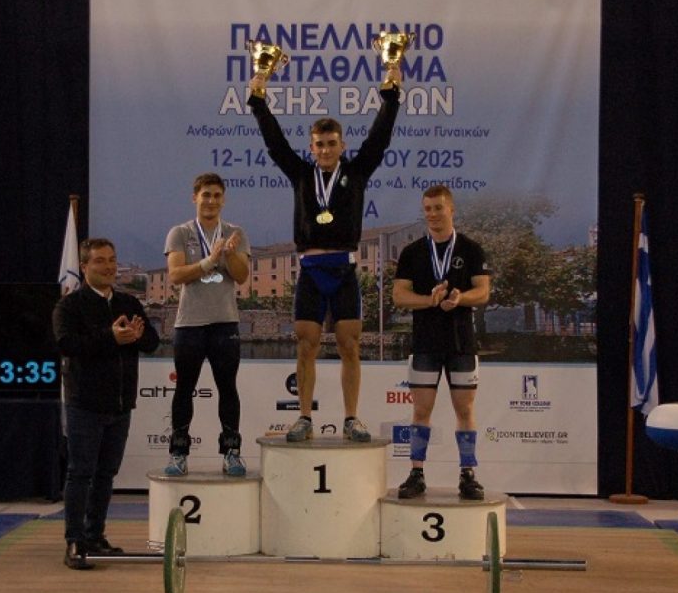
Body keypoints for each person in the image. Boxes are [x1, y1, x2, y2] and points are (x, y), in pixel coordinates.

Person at [247, 65, 402, 443]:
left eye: (332, 143)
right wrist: (258, 101)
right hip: (310, 271)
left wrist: (391, 95)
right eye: (320, 144)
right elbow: (275, 144)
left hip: (344, 270)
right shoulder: (301, 174)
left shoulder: (358, 172)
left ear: (342, 146)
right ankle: (304, 417)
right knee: (306, 345)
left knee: (350, 346)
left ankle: (351, 418)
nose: (326, 149)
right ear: (312, 147)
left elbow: (379, 139)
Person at [53, 238, 160, 569]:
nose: (109, 267)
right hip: (84, 404)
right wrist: (110, 337)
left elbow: (152, 342)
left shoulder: (128, 302)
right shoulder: (70, 306)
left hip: (120, 405)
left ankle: (95, 536)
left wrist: (138, 336)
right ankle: (74, 542)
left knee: (105, 474)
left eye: (112, 260)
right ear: (84, 267)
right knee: (80, 473)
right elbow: (67, 344)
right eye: (100, 261)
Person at [391, 185, 491, 500]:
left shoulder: (471, 249)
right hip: (425, 343)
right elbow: (399, 296)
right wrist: (429, 301)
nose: (433, 214)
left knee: (465, 409)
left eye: (438, 208)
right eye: (428, 209)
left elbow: (483, 291)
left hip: (462, 343)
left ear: (451, 209)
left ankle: (468, 474)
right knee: (421, 410)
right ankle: (416, 473)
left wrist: (460, 298)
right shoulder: (412, 252)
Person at [163, 173, 251, 476]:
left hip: (225, 323)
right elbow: (176, 275)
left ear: (223, 200)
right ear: (195, 198)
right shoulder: (180, 233)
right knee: (184, 389)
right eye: (206, 195)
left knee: (228, 388)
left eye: (216, 195)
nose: (211, 201)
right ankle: (178, 453)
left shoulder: (235, 233)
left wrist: (229, 254)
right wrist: (210, 260)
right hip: (189, 323)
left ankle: (231, 452)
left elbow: (241, 276)